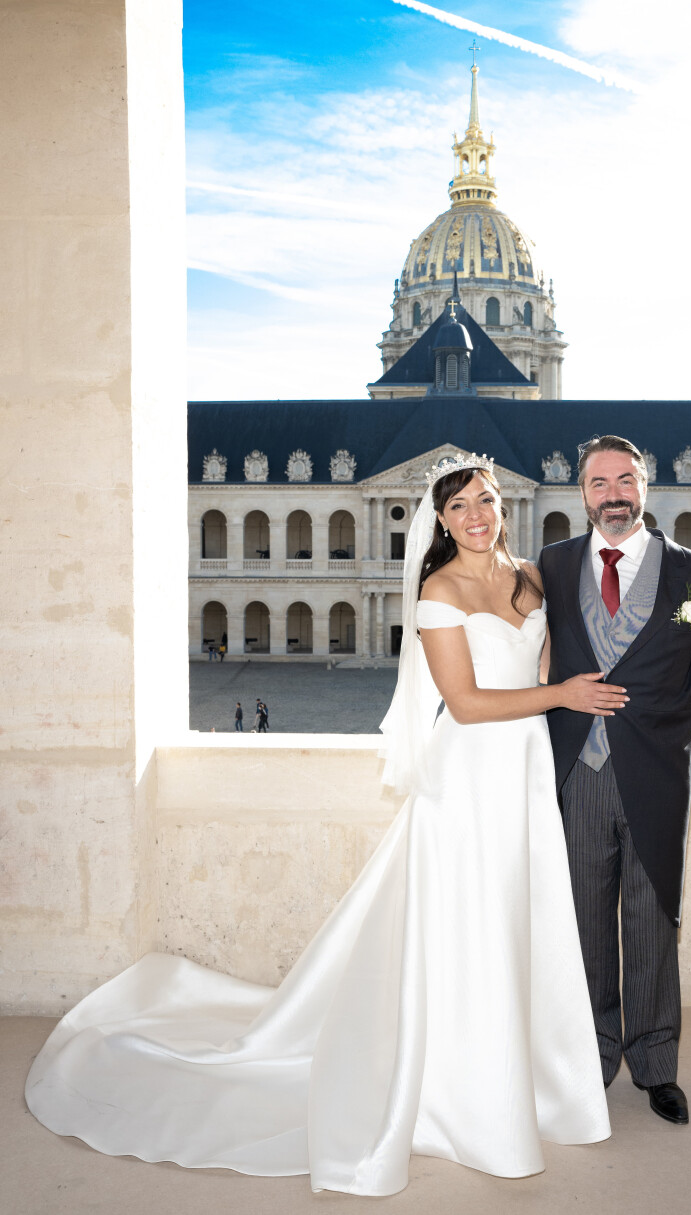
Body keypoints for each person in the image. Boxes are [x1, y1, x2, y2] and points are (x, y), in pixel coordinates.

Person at [25, 455, 617, 1195]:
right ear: (439, 519)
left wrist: (567, 697)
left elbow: (544, 670)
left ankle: (526, 1075)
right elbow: (465, 704)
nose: (475, 515)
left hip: (524, 768)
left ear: (504, 504)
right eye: (459, 505)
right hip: (469, 773)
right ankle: (464, 1087)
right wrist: (562, 695)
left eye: (485, 500)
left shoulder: (529, 578)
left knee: (518, 914)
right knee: (471, 920)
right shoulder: (438, 590)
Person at [539, 435, 691, 1126]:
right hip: (579, 773)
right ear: (582, 494)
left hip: (655, 776)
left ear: (645, 487)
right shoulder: (553, 565)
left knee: (653, 920)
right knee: (585, 923)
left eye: (625, 480)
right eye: (599, 483)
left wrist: (662, 725)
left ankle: (655, 1064)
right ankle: (590, 1056)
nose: (614, 495)